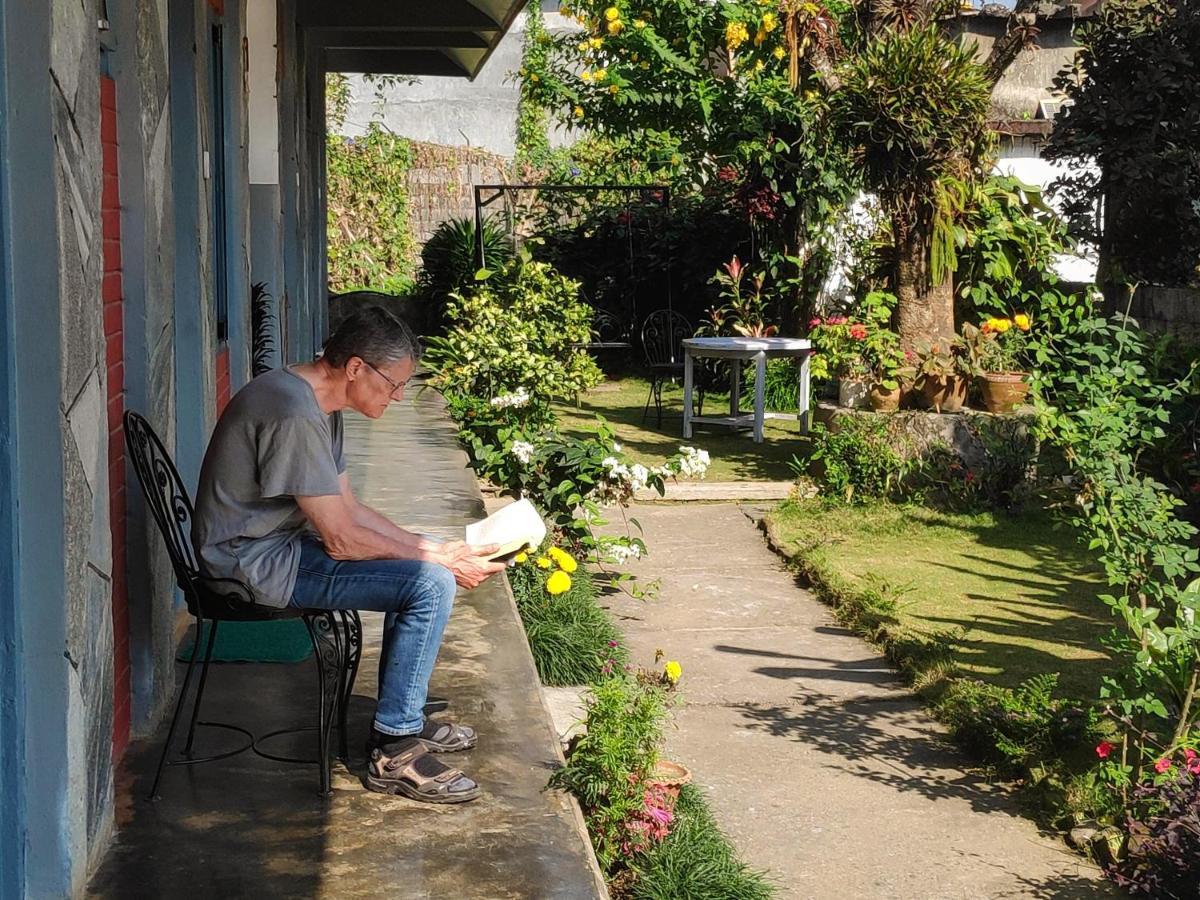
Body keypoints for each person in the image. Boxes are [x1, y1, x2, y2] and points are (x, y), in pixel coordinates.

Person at [192, 305, 505, 803]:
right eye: (393, 384)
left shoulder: (317, 402)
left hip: (279, 547)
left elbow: (350, 510)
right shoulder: (292, 412)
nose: (399, 396)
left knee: (426, 566)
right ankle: (393, 747)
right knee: (428, 585)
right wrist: (435, 564)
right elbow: (341, 538)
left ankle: (405, 718)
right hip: (249, 566)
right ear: (356, 367)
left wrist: (429, 546)